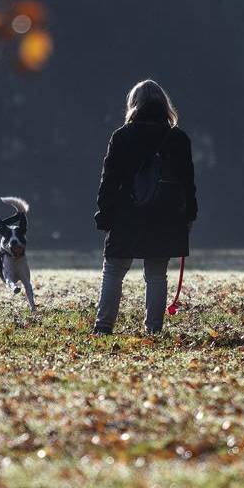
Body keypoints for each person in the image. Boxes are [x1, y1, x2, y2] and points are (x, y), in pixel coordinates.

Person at [92, 79, 197, 334]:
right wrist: (189, 214)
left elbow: (109, 180)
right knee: (157, 274)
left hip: (126, 213)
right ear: (164, 105)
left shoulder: (122, 136)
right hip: (165, 215)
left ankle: (103, 326)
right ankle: (154, 329)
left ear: (133, 105)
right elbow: (187, 182)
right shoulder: (178, 138)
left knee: (114, 271)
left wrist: (104, 213)